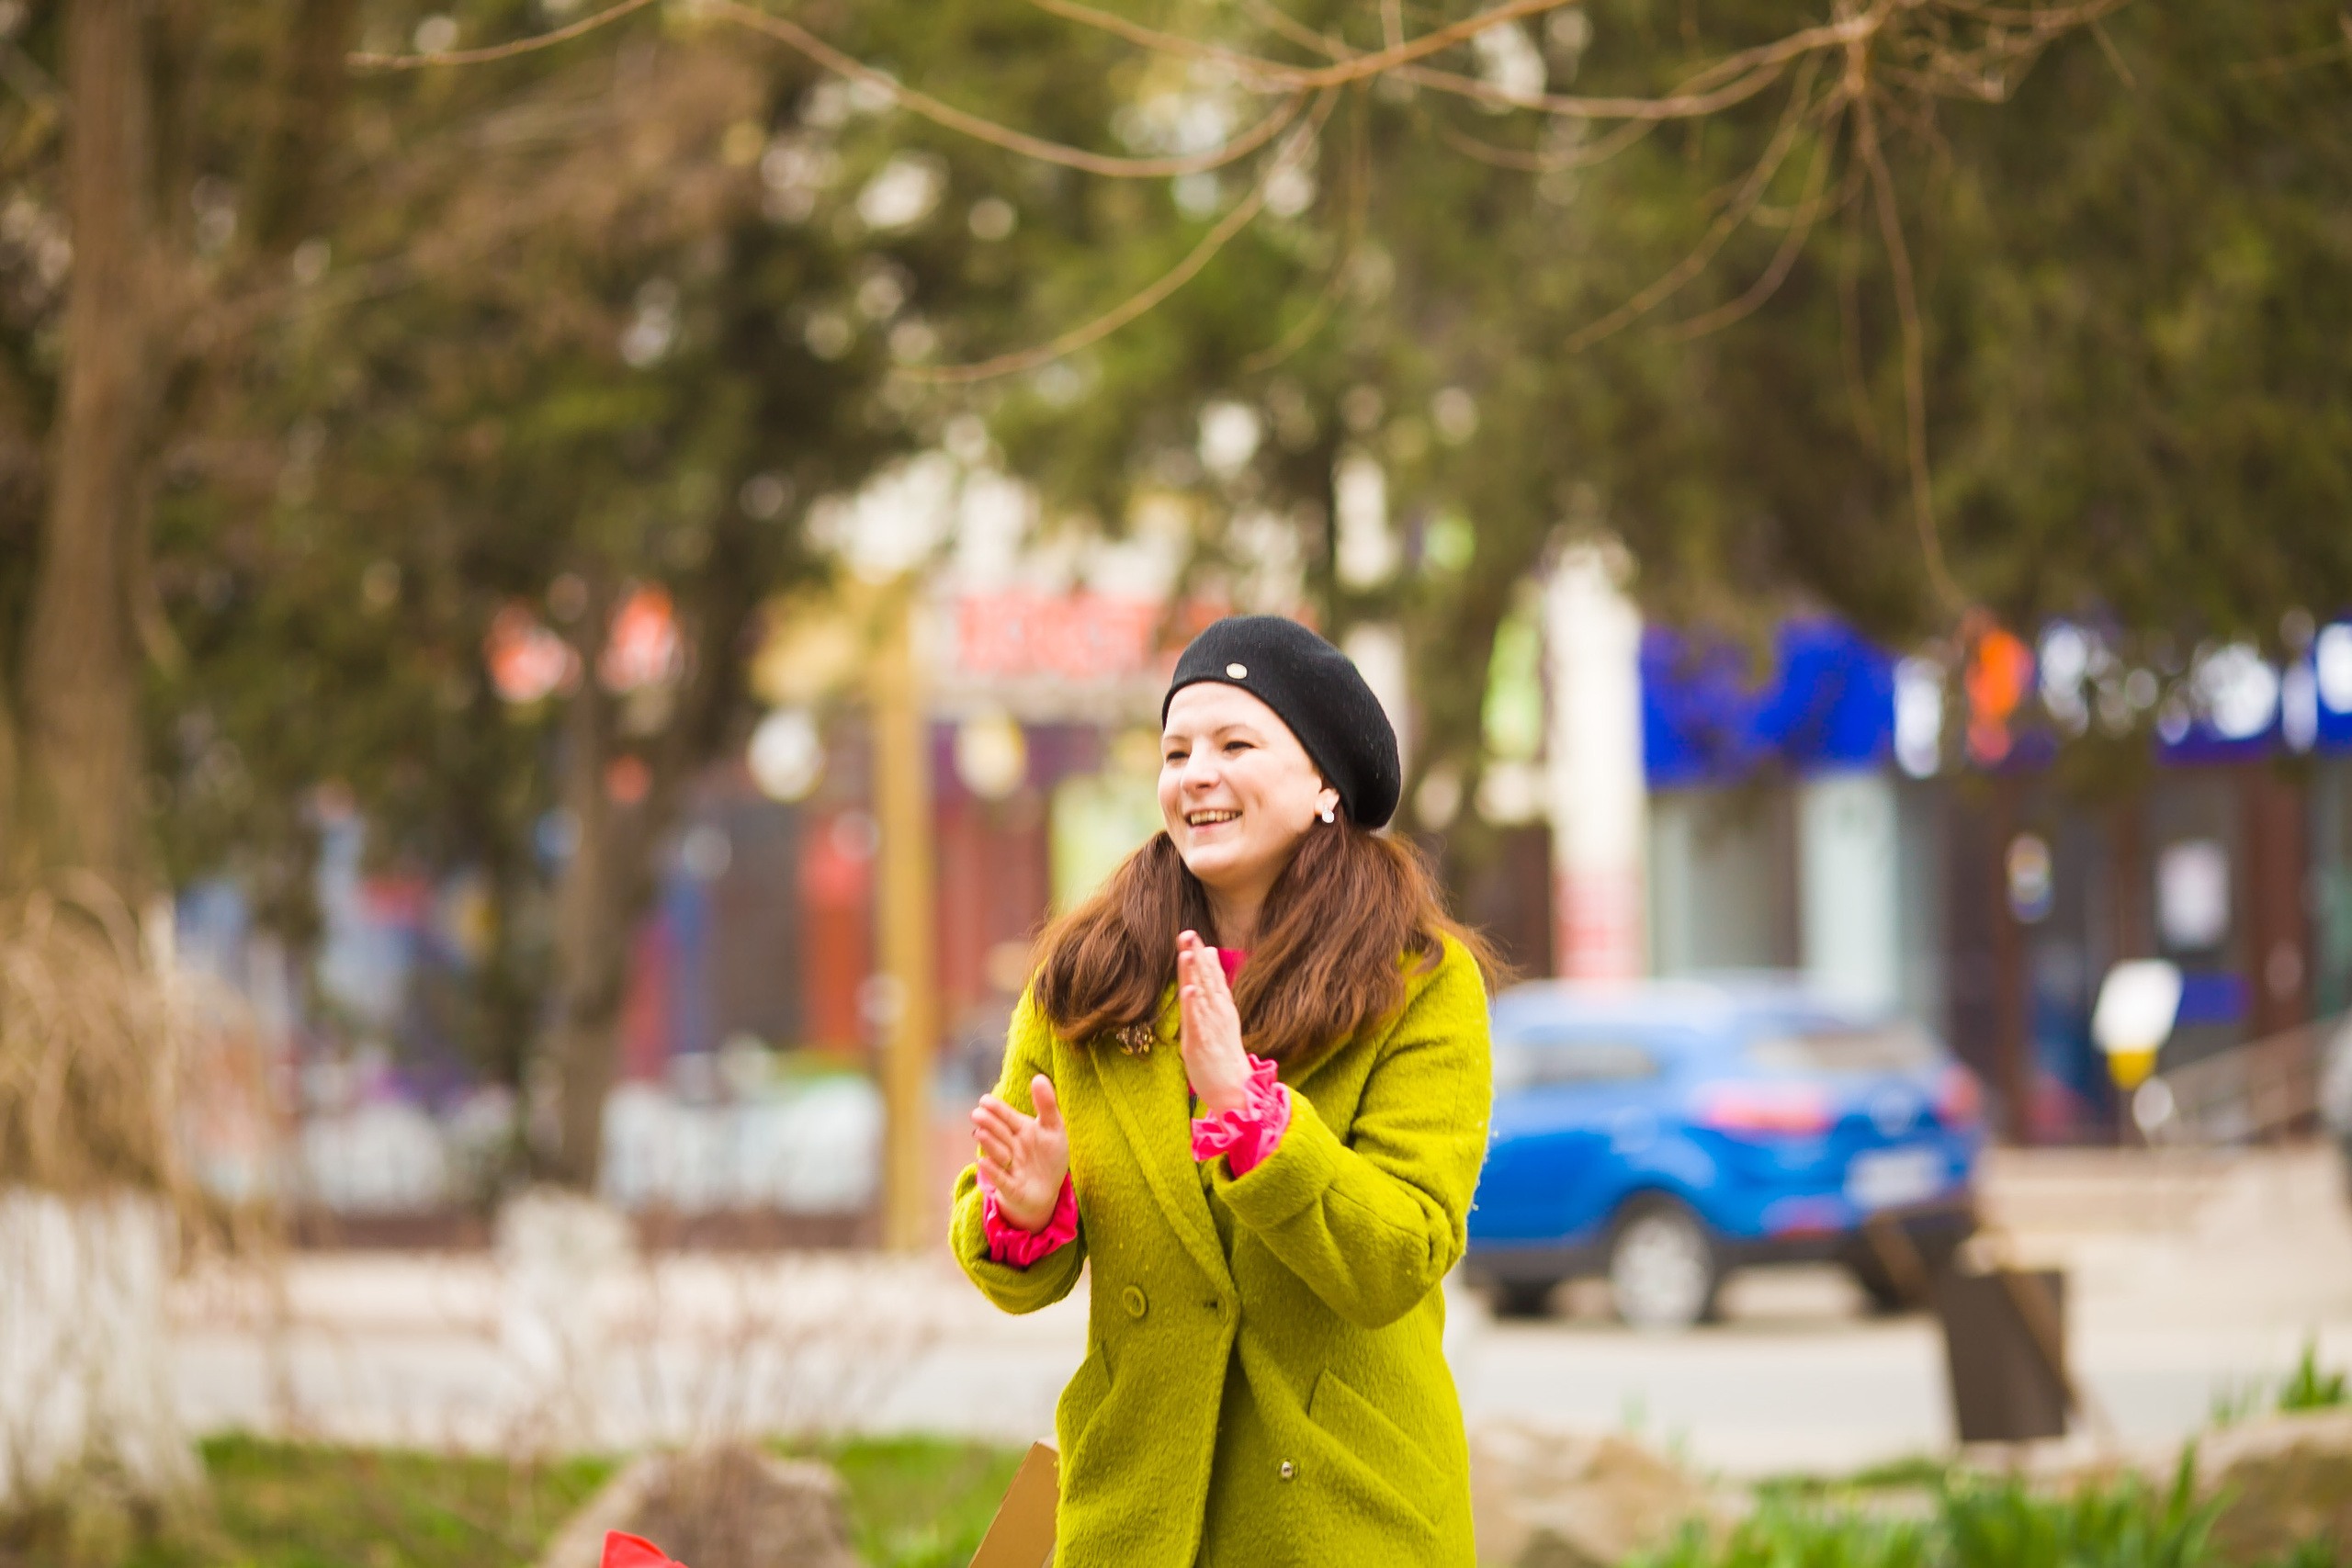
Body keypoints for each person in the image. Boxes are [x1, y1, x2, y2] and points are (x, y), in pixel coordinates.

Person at [951, 615, 1500, 1567]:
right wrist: (1027, 1212)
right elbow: (1011, 1268)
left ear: (1325, 783)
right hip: (1134, 1511)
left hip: (1343, 1513)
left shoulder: (1419, 982)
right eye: (1175, 750)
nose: (1194, 773)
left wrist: (1253, 1122)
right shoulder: (1087, 978)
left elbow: (1399, 1257)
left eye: (1235, 743)